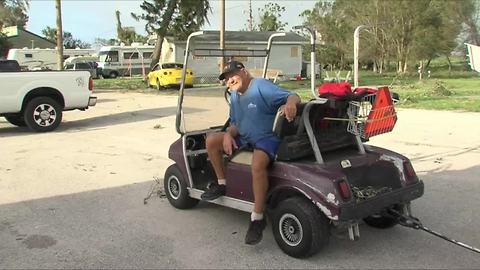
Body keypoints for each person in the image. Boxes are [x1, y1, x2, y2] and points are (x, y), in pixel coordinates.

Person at [201, 61, 301, 245]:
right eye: (226, 79)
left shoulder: (260, 86)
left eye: (233, 75)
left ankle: (257, 218)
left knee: (257, 163)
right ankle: (222, 183)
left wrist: (291, 104)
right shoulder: (235, 97)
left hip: (268, 138)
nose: (230, 80)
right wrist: (227, 136)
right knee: (211, 141)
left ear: (244, 72)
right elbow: (235, 124)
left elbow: (293, 95)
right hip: (246, 138)